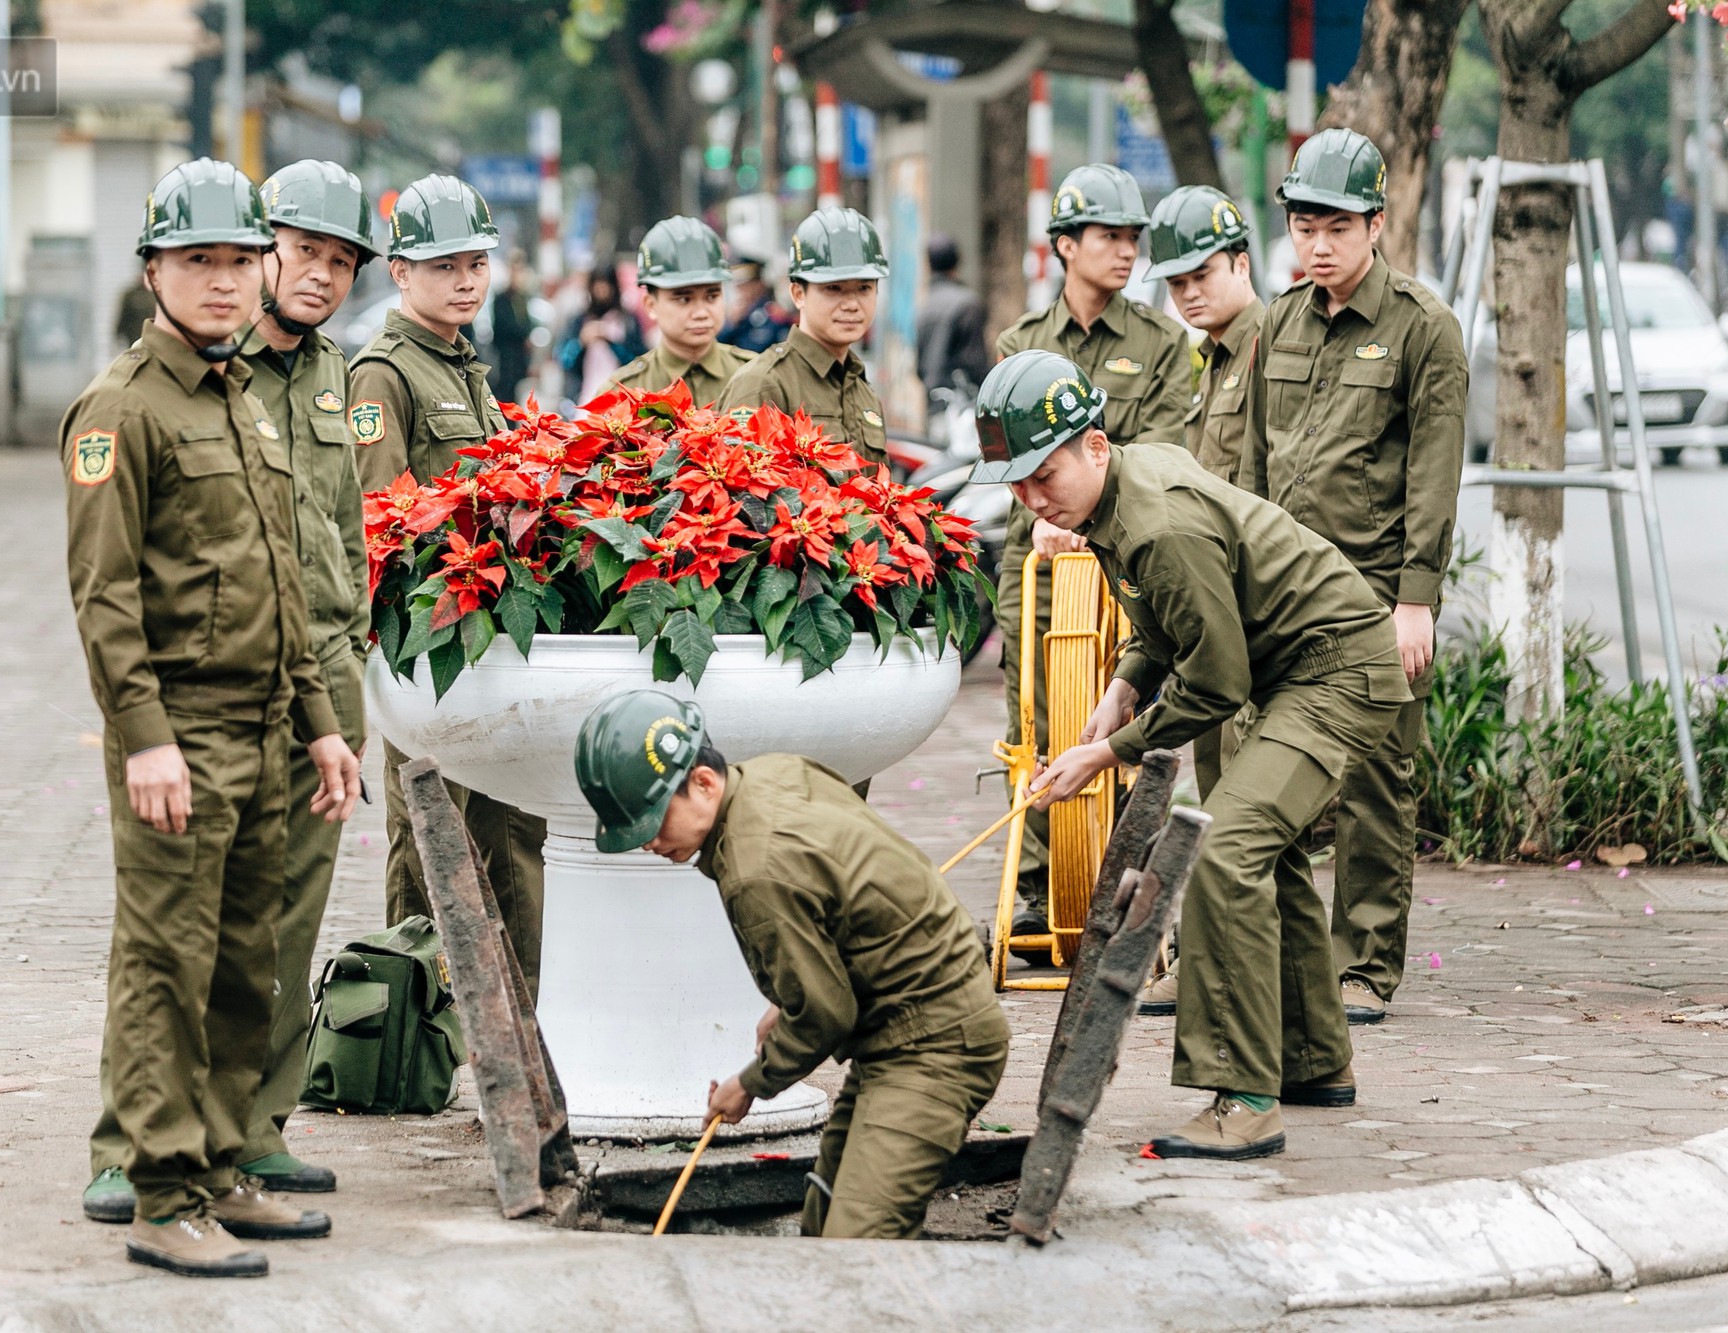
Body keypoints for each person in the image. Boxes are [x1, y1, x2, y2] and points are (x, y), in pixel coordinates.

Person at [971, 349, 1408, 1159]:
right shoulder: (1119, 493)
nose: (1033, 499)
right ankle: (1312, 1057)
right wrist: (1122, 688)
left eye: (1044, 474)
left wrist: (1108, 754)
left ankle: (1245, 1101)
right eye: (1016, 484)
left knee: (1223, 852)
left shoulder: (1157, 522)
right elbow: (1165, 620)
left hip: (1336, 671)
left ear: (1094, 446)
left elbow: (1215, 681)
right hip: (1293, 670)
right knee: (1264, 852)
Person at [62, 158, 362, 1277]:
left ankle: (227, 1163)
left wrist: (320, 722)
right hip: (179, 731)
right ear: (154, 271)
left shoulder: (241, 397)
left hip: (265, 725)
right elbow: (104, 597)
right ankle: (163, 1193)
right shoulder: (121, 409)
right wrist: (145, 739)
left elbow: (284, 576)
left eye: (240, 260)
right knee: (168, 964)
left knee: (244, 965)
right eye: (200, 261)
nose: (226, 282)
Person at [572, 690, 1010, 1238]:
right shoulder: (776, 773)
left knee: (857, 1244)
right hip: (901, 1027)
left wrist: (749, 1084)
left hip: (936, 1044)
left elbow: (826, 1014)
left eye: (654, 820)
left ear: (703, 783)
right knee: (822, 1214)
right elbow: (837, 896)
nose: (647, 842)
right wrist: (787, 999)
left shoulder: (757, 870)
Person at [1251, 128, 1467, 1026]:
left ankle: (1365, 965)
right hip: (1283, 593)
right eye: (1305, 227)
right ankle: (1282, 957)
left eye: (1337, 227)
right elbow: (1258, 463)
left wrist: (1416, 601)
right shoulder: (1278, 322)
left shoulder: (1423, 327)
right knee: (1273, 774)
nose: (1319, 245)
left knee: (1377, 779)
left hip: (1376, 595)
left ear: (1376, 224)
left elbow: (1435, 474)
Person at [348, 175, 548, 993]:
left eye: (476, 263)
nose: (466, 281)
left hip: (488, 638)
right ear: (400, 272)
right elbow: (383, 519)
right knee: (433, 838)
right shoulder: (383, 373)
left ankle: (521, 1019)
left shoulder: (466, 366)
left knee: (513, 832)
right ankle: (414, 1025)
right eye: (444, 266)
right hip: (428, 644)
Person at [989, 164, 1189, 951]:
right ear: (1066, 245)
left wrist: (1089, 507)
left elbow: (1160, 451)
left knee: (1131, 717)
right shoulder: (1020, 343)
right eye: (1108, 235)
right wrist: (1042, 514)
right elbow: (1006, 457)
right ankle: (1038, 887)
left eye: (1133, 237)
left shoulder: (1162, 343)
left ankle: (1125, 885)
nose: (1126, 251)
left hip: (1129, 558)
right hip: (1040, 560)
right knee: (1037, 719)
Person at [1133, 183, 1266, 1017]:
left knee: (1243, 809)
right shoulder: (1211, 359)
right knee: (1216, 790)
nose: (1188, 293)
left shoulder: (1272, 348)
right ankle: (1216, 961)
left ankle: (1231, 970)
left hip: (1259, 603)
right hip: (1217, 605)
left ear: (1241, 264)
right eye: (1175, 280)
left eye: (1202, 274)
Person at [718, 206, 891, 467]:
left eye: (864, 288)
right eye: (834, 288)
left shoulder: (863, 392)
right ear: (798, 294)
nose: (852, 304)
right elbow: (739, 483)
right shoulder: (763, 384)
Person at [604, 216, 753, 406]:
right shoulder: (623, 394)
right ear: (651, 305)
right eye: (684, 299)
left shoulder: (756, 378)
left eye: (711, 296)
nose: (701, 313)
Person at [914, 233, 989, 402]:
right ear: (957, 262)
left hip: (933, 403)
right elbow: (976, 364)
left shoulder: (925, 306)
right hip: (962, 406)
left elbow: (920, 368)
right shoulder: (968, 304)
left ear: (929, 265)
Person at [559, 262, 646, 402]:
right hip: (585, 395)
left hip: (621, 396)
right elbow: (565, 360)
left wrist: (611, 342)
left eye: (606, 285)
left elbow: (638, 361)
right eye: (597, 285)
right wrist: (581, 343)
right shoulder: (579, 320)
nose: (601, 290)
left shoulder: (627, 321)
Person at [487, 248, 536, 402]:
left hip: (520, 358)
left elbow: (527, 323)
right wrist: (523, 336)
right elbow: (502, 326)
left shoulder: (524, 298)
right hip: (506, 357)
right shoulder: (501, 298)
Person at [720, 252, 793, 353]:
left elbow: (754, 348)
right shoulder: (737, 314)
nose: (740, 290)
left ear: (759, 284)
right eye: (738, 286)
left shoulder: (774, 313)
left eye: (745, 285)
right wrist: (731, 324)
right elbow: (719, 344)